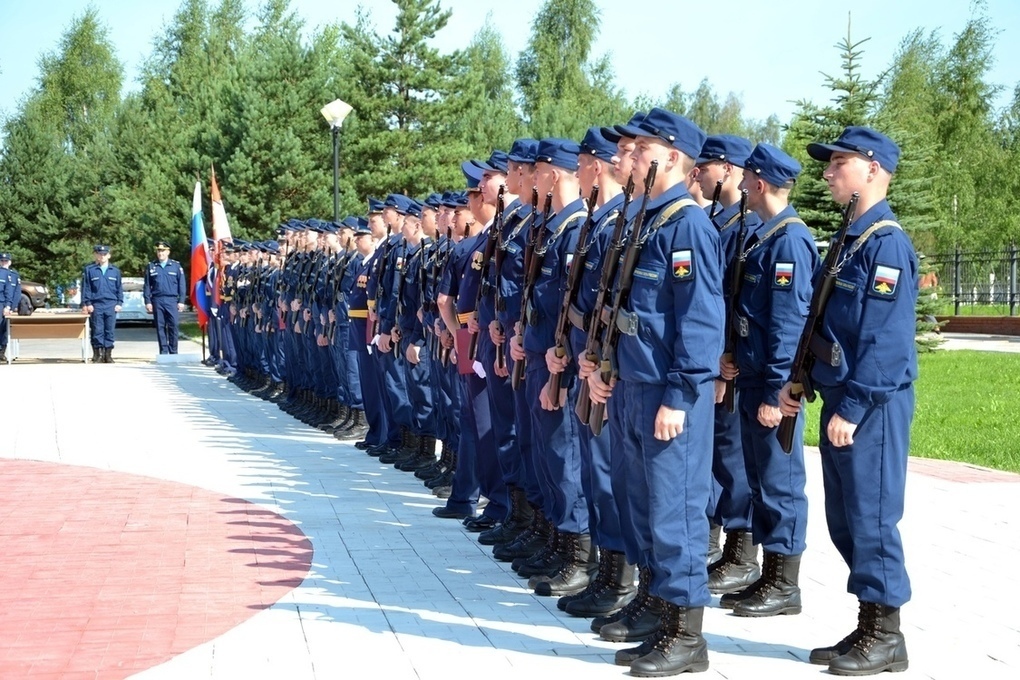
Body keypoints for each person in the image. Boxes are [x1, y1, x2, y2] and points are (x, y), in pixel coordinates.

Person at [585, 107, 723, 675]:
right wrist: (603, 366)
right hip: (631, 386)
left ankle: (687, 636)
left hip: (667, 395)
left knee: (677, 514)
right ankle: (658, 610)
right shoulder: (647, 221)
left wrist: (681, 393)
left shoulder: (687, 225)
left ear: (669, 156)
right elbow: (627, 310)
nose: (631, 158)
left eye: (641, 150)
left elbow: (700, 321)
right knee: (642, 507)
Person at [779, 126, 916, 676]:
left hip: (870, 407)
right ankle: (869, 623)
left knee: (872, 516)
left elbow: (886, 341)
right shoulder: (849, 238)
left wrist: (854, 407)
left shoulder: (886, 244)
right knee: (846, 519)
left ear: (873, 169)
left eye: (840, 163)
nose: (829, 172)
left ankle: (886, 635)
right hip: (841, 396)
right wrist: (801, 378)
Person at [718, 143, 818, 617]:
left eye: (746, 181)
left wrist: (780, 388)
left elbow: (788, 322)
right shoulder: (764, 236)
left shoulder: (789, 240)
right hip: (753, 374)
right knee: (759, 478)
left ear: (759, 183)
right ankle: (767, 575)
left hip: (771, 385)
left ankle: (785, 583)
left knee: (779, 481)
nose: (739, 187)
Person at [143, 239, 188, 354]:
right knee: (160, 326)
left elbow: (182, 285)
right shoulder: (151, 266)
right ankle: (163, 351)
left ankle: (173, 351)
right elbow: (147, 285)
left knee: (173, 325)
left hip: (172, 300)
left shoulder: (176, 266)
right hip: (157, 300)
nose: (160, 253)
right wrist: (148, 301)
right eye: (159, 251)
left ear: (168, 252)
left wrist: (181, 301)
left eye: (163, 251)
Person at [81, 244, 123, 363]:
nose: (102, 256)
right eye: (100, 254)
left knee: (109, 330)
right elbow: (86, 288)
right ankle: (97, 355)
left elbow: (119, 288)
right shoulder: (90, 270)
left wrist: (119, 302)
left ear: (109, 255)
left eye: (105, 254)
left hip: (111, 304)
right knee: (97, 330)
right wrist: (87, 303)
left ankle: (108, 354)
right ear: (97, 255)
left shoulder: (115, 271)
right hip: (96, 304)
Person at [0, 251, 19, 363]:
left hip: (3, 304)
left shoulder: (11, 275)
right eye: (2, 261)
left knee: (3, 329)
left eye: (5, 261)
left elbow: (13, 292)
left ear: (9, 262)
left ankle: (2, 352)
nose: (3, 263)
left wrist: (9, 306)